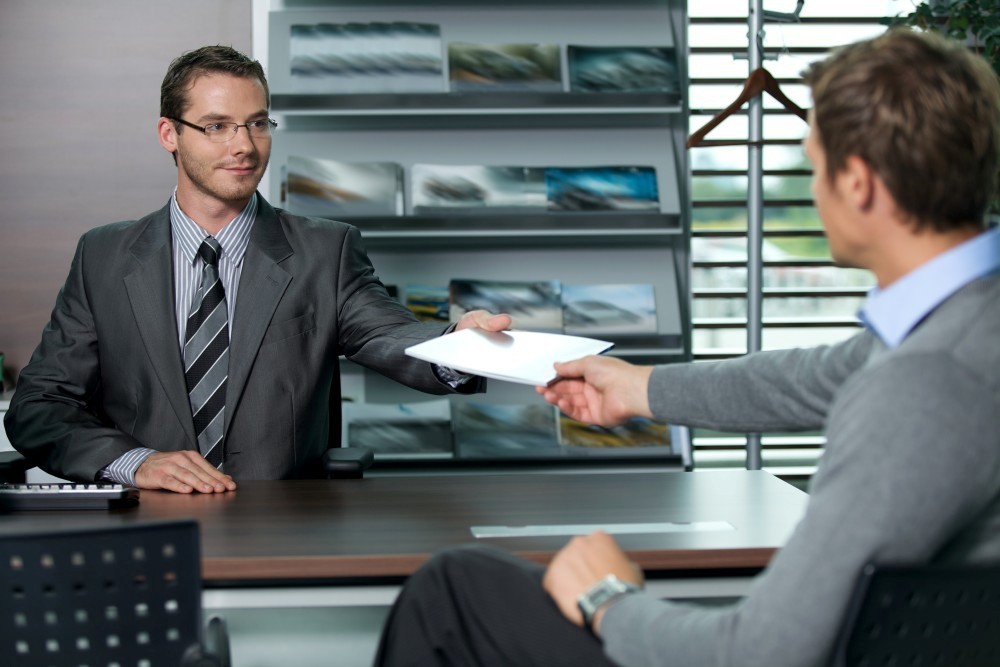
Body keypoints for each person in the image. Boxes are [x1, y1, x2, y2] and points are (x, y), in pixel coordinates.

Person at [372, 28, 1000, 667]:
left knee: (454, 590)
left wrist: (607, 600)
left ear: (859, 183)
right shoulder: (966, 324)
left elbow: (761, 652)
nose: (813, 190)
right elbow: (805, 378)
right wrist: (635, 387)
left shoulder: (925, 382)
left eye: (814, 166)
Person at [4, 45, 509, 494]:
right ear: (169, 134)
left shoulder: (324, 250)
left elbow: (391, 333)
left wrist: (458, 345)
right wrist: (136, 463)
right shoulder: (103, 257)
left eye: (258, 123)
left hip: (283, 522)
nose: (244, 145)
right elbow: (40, 407)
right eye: (217, 126)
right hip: (144, 520)